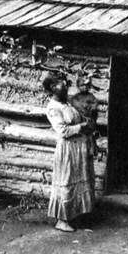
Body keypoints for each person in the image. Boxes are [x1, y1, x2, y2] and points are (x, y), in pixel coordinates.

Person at [42, 74, 95, 232]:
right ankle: (62, 220)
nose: (66, 86)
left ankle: (75, 214)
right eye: (62, 85)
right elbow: (63, 130)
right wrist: (81, 127)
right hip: (67, 149)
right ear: (53, 88)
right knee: (66, 181)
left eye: (66, 84)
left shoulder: (67, 103)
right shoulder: (53, 108)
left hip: (78, 148)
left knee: (78, 179)